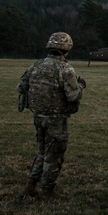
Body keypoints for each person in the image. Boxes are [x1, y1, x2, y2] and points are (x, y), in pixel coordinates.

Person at [17, 31, 85, 201]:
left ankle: (30, 186)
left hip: (38, 117)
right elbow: (73, 96)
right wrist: (81, 87)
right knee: (54, 155)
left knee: (41, 152)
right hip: (56, 119)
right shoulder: (65, 69)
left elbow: (21, 86)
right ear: (66, 49)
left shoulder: (36, 65)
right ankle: (48, 190)